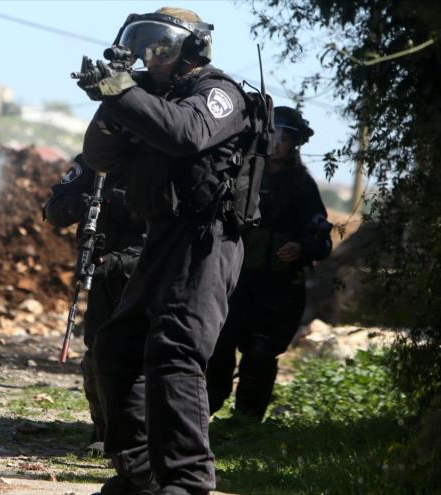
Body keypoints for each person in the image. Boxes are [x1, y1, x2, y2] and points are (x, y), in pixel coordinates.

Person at [76, 7, 262, 495]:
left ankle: (186, 480)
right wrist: (113, 100)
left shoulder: (218, 93)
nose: (149, 58)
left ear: (193, 49)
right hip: (160, 236)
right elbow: (96, 156)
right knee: (116, 348)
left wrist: (126, 95)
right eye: (144, 47)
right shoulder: (147, 98)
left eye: (161, 47)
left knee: (175, 351)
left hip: (207, 238)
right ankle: (140, 473)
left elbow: (185, 133)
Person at [206, 106, 332, 419]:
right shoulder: (241, 175)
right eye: (271, 134)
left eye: (283, 137)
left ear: (294, 144)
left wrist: (301, 247)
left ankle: (246, 421)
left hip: (279, 290)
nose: (276, 142)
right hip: (235, 284)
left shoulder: (302, 187)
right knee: (218, 350)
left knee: (261, 355)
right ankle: (200, 415)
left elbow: (322, 240)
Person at [43, 154, 147, 454]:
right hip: (103, 272)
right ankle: (104, 432)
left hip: (147, 271)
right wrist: (82, 205)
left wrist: (118, 202)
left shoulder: (160, 156)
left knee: (143, 357)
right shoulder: (95, 161)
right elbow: (54, 209)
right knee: (98, 355)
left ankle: (140, 437)